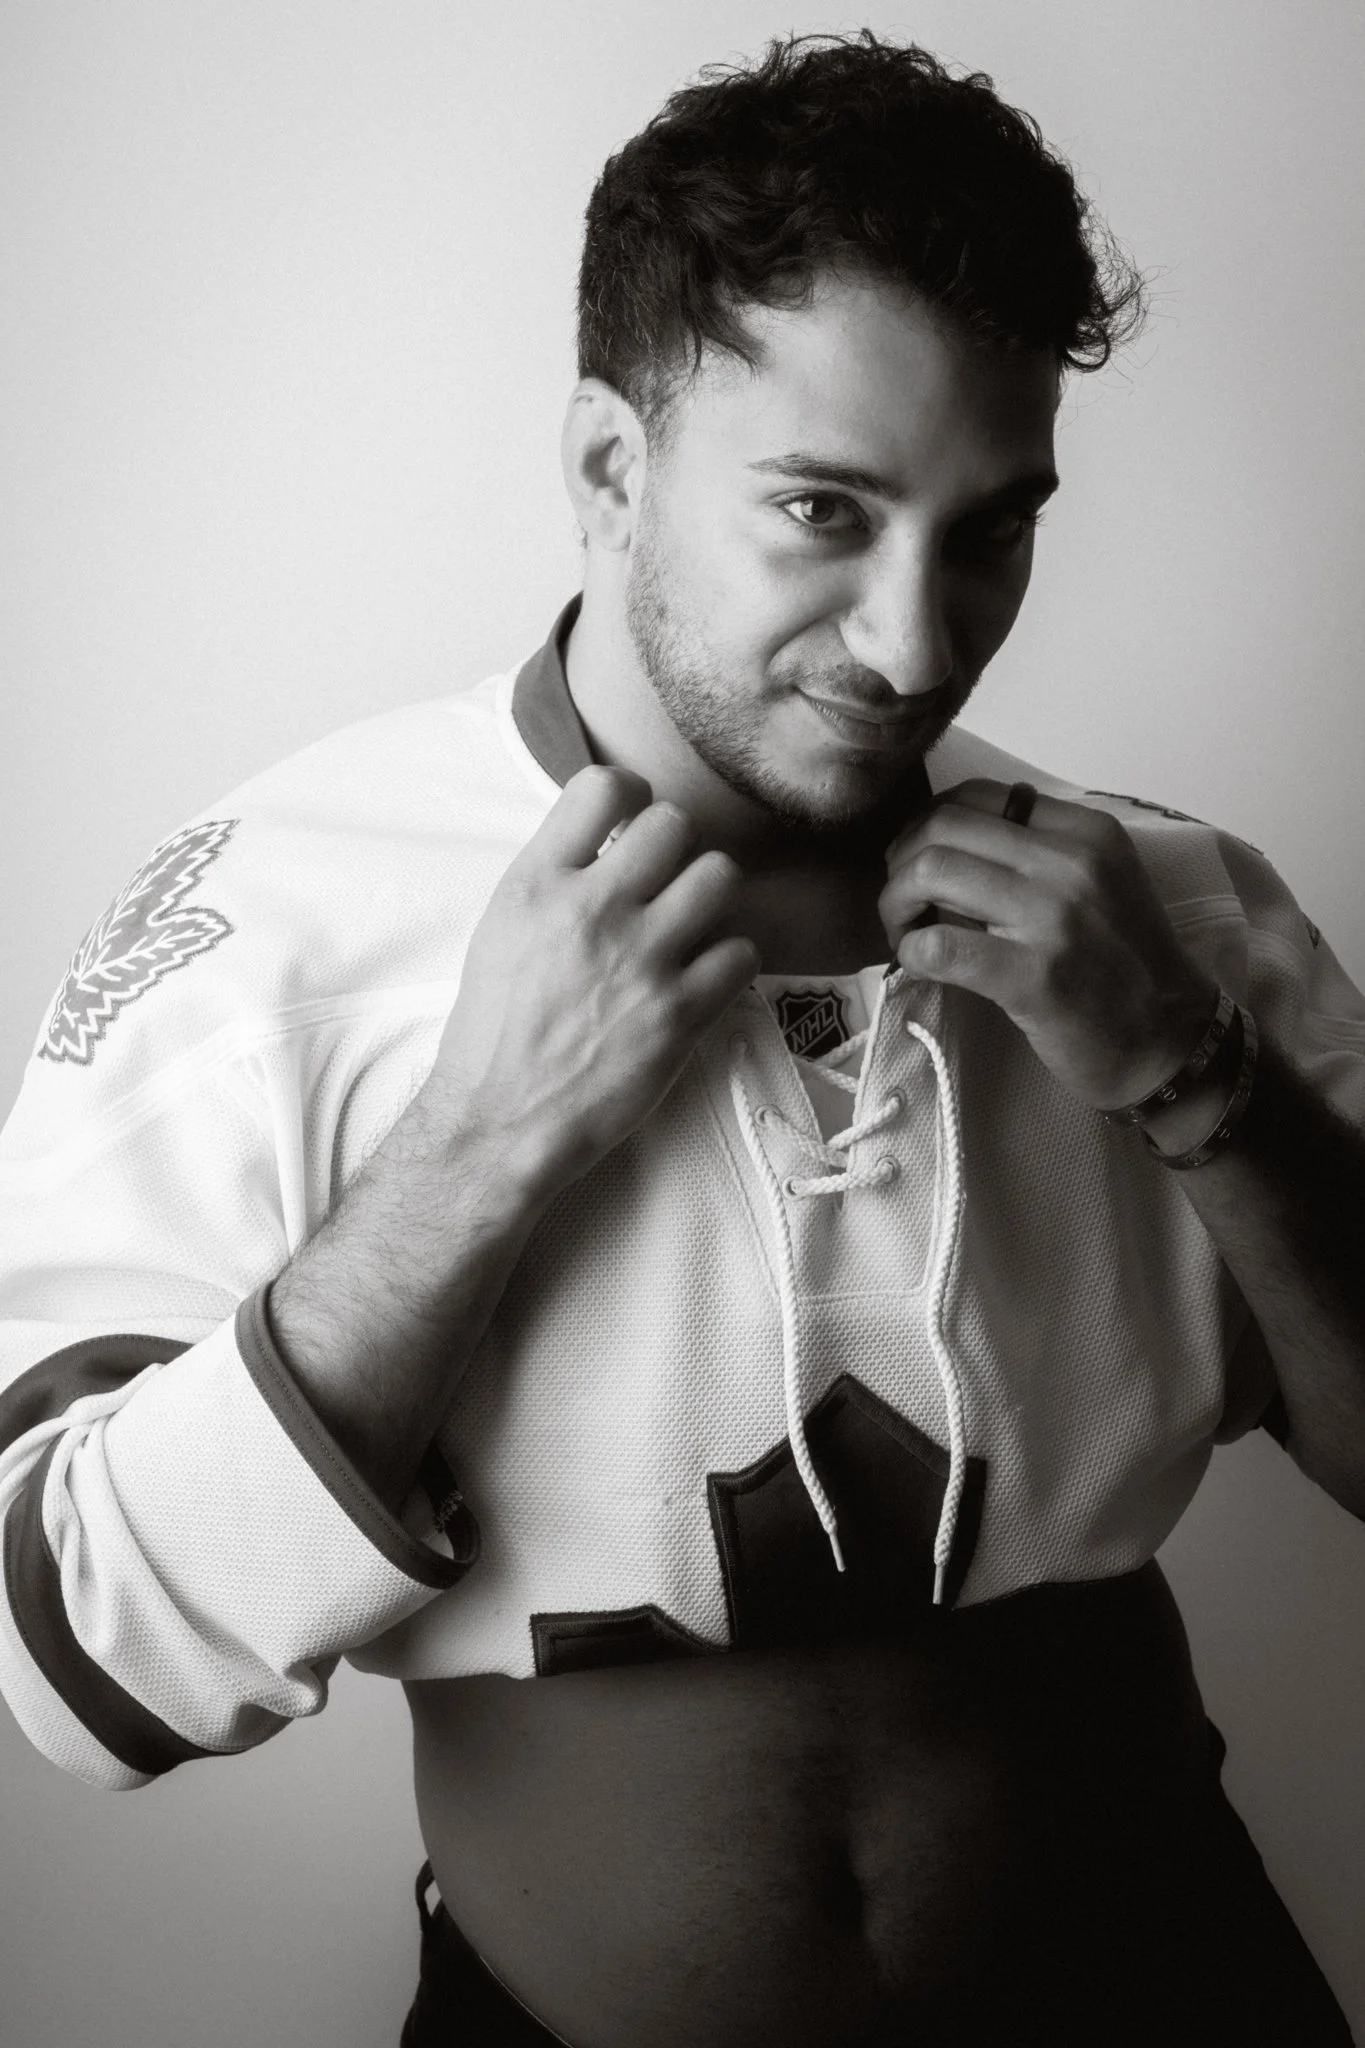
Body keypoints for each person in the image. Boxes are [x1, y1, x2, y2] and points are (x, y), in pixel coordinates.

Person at [1, 27, 1362, 2045]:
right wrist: (478, 1144)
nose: (914, 642)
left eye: (990, 529)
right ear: (606, 468)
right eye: (822, 508)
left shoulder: (1173, 913)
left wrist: (1197, 1080)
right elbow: (76, 1661)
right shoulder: (270, 915)